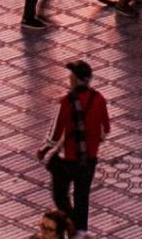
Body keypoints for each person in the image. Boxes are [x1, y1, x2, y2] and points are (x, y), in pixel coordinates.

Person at [42, 59, 106, 228]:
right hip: (89, 160)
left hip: (68, 159)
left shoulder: (67, 101)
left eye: (71, 76)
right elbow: (105, 129)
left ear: (76, 79)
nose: (69, 79)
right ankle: (81, 231)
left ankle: (72, 222)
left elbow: (56, 131)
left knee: (60, 195)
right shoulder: (98, 98)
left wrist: (45, 148)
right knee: (81, 196)